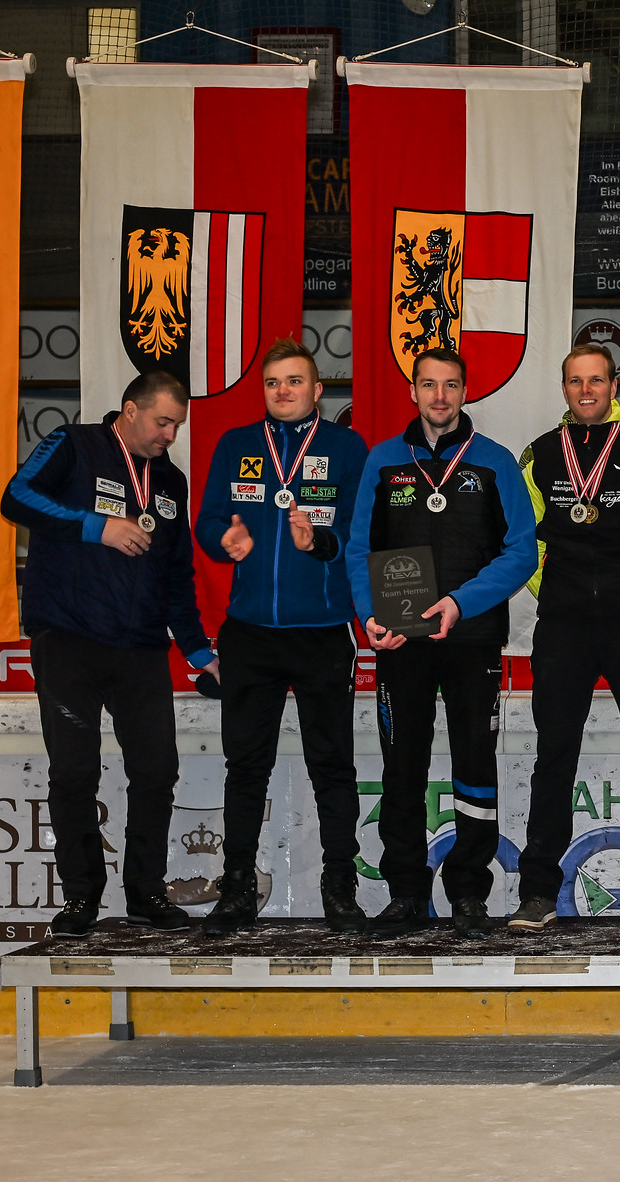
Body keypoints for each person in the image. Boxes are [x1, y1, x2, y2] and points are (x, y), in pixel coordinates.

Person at [1, 369, 218, 936]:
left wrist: (197, 651)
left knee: (157, 770)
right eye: (162, 421)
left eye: (177, 425)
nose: (170, 435)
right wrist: (96, 527)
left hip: (141, 647)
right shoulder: (74, 445)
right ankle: (80, 900)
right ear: (129, 409)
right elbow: (14, 497)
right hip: (69, 639)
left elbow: (177, 576)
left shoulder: (170, 482)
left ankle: (146, 893)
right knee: (74, 773)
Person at [347, 349, 536, 940]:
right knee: (402, 765)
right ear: (413, 391)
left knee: (475, 766)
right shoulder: (383, 462)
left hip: (472, 638)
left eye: (450, 385)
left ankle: (467, 893)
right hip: (400, 643)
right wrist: (368, 617)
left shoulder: (495, 463)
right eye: (428, 384)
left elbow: (521, 553)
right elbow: (358, 550)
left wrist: (460, 603)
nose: (439, 396)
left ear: (463, 391)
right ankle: (405, 891)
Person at [510, 344, 620, 937]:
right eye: (574, 381)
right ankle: (538, 892)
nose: (586, 390)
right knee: (553, 758)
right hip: (563, 628)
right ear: (563, 388)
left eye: (596, 380)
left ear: (616, 386)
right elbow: (524, 545)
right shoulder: (538, 457)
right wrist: (557, 595)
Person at [194, 338, 371, 937]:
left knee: (332, 766)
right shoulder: (238, 445)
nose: (283, 391)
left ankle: (339, 887)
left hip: (321, 632)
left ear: (318, 390)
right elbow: (209, 518)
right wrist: (225, 541)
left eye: (295, 381)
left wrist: (318, 544)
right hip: (249, 635)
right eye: (274, 382)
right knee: (246, 766)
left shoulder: (347, 448)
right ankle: (237, 887)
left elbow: (358, 529)